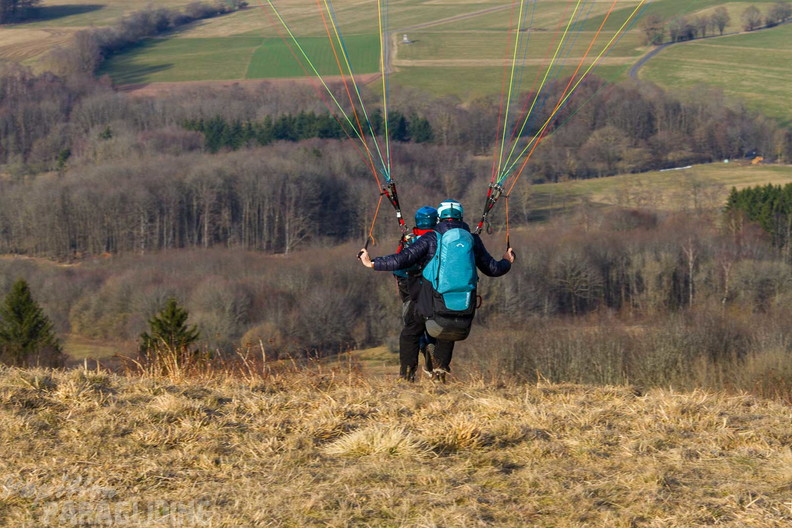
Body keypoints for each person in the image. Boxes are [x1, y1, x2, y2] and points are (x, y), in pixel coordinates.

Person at [359, 199, 515, 381]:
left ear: (439, 218)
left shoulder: (431, 237)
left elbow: (404, 258)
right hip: (463, 305)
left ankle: (407, 377)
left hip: (429, 300)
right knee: (447, 327)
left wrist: (372, 263)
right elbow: (493, 269)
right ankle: (440, 371)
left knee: (411, 331)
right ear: (461, 217)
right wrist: (506, 260)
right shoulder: (472, 239)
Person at [393, 206, 438, 381]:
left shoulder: (410, 239)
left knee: (411, 329)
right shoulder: (439, 239)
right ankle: (432, 353)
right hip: (434, 287)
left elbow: (399, 263)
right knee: (434, 323)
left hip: (409, 287)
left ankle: (408, 375)